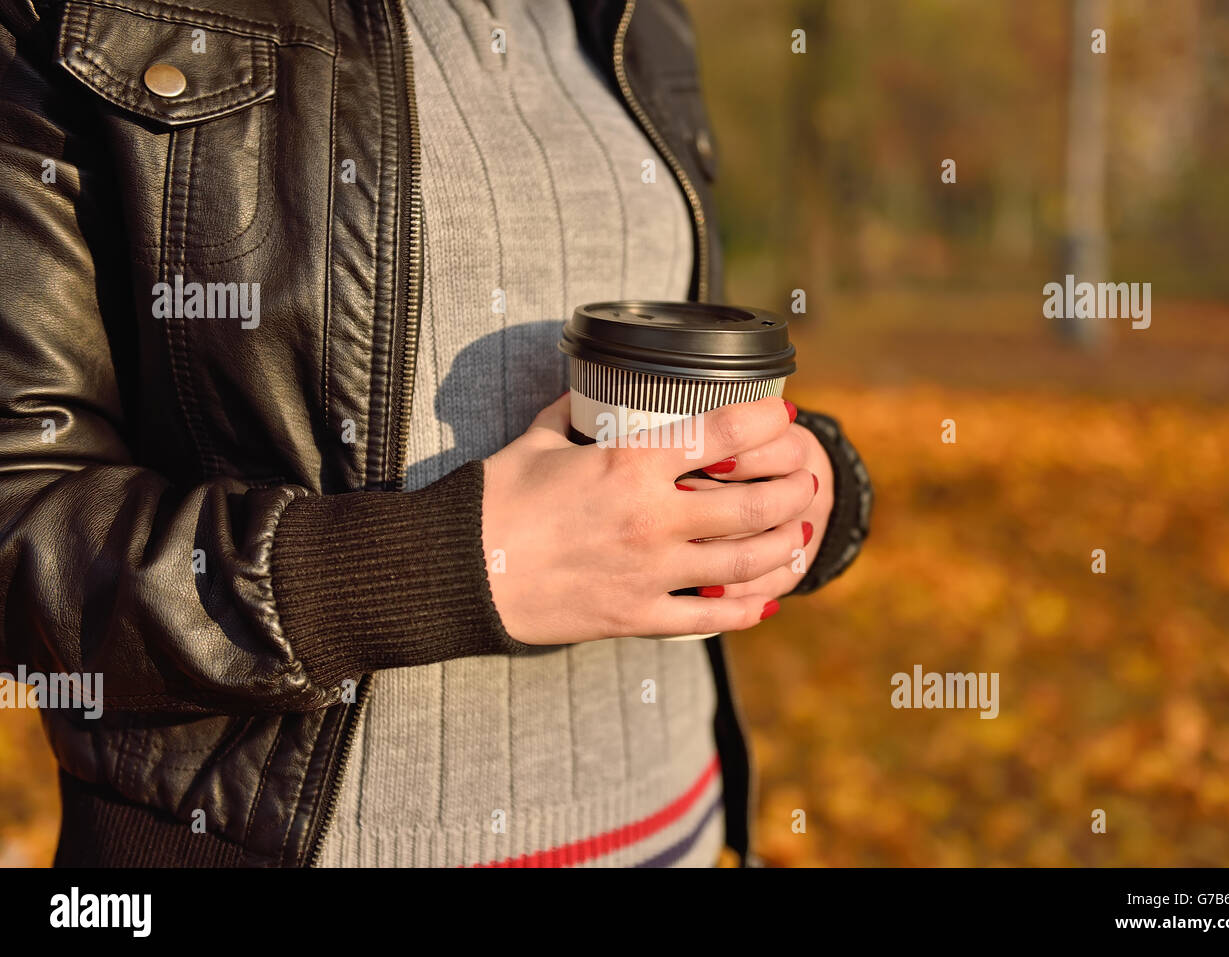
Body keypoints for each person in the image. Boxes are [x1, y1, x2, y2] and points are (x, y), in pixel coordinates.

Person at [0, 0, 870, 867]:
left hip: (680, 826)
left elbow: (689, 370)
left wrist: (799, 491)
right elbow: (22, 529)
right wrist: (435, 566)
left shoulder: (638, 16)